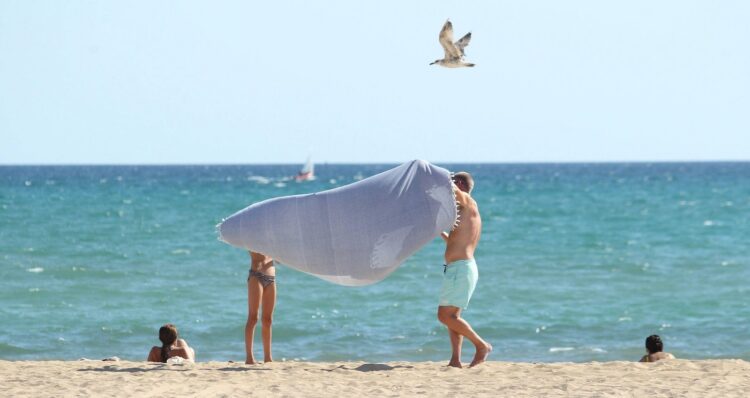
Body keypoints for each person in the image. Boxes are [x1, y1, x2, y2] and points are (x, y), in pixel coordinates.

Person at [437, 171, 492, 368]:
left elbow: (450, 188)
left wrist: (439, 176)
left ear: (459, 184)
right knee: (452, 318)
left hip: (462, 269)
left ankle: (481, 345)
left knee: (444, 316)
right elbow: (456, 242)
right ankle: (455, 360)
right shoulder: (466, 212)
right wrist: (440, 233)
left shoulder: (468, 202)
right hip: (458, 268)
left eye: (453, 185)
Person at [245, 251, 276, 364]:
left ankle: (268, 357)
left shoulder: (274, 236)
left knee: (268, 320)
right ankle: (249, 357)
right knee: (253, 318)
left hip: (271, 277)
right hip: (256, 275)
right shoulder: (252, 233)